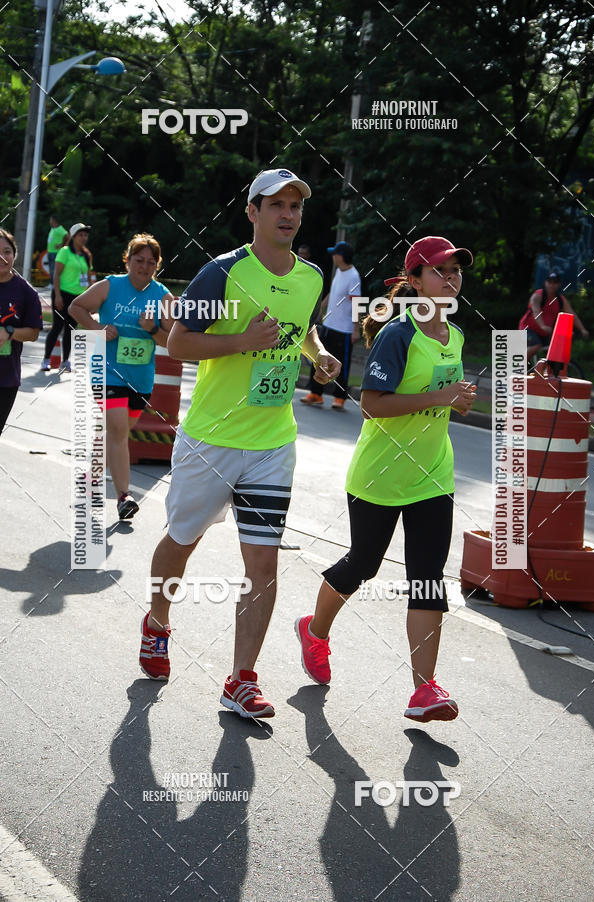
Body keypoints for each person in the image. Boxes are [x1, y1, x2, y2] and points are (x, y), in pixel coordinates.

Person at [139, 167, 341, 719]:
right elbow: (179, 343)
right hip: (211, 440)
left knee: (263, 563)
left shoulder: (311, 277)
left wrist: (315, 354)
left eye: (296, 206)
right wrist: (241, 341)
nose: (287, 214)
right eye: (276, 204)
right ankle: (157, 622)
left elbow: (302, 327)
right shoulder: (221, 273)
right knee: (182, 541)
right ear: (252, 212)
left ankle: (241, 680)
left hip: (274, 443)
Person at [295, 235, 477, 723]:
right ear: (414, 281)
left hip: (434, 475)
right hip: (379, 476)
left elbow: (439, 401)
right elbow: (372, 404)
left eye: (456, 270)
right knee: (363, 566)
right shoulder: (399, 334)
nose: (452, 277)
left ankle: (425, 690)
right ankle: (314, 630)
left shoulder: (454, 337)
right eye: (441, 270)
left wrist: (457, 401)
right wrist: (443, 397)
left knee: (427, 579)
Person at [69, 234, 175, 520]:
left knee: (115, 432)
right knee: (117, 431)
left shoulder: (162, 296)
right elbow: (75, 307)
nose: (144, 267)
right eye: (139, 261)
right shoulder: (110, 285)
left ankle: (90, 479)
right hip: (107, 372)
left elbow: (173, 342)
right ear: (127, 260)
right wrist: (96, 327)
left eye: (151, 263)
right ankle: (123, 497)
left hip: (141, 378)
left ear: (157, 265)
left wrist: (153, 330)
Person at [301, 240, 361, 410]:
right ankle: (316, 393)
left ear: (341, 256)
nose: (333, 256)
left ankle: (340, 398)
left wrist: (356, 329)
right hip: (329, 325)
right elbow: (332, 294)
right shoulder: (339, 272)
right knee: (318, 357)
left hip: (344, 329)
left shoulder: (353, 275)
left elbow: (357, 303)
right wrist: (319, 308)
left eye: (335, 253)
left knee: (342, 364)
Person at [0, 229, 43, 435]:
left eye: (7, 251)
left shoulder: (26, 292)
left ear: (14, 254)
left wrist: (9, 332)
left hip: (6, 378)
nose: (2, 257)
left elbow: (33, 333)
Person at [41, 223, 93, 372]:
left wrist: (90, 295)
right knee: (57, 327)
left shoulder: (86, 255)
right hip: (62, 294)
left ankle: (65, 361)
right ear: (73, 237)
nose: (83, 238)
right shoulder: (64, 252)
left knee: (71, 329)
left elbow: (89, 278)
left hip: (78, 298)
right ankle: (46, 359)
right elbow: (56, 274)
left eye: (85, 235)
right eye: (80, 235)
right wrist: (57, 295)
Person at [519, 271, 589, 361]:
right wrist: (542, 326)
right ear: (545, 283)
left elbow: (572, 314)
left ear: (559, 284)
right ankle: (517, 365)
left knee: (555, 351)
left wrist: (582, 329)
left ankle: (548, 373)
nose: (552, 285)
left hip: (545, 332)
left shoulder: (560, 300)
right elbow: (536, 311)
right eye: (550, 282)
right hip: (527, 329)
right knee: (536, 345)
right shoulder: (538, 295)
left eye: (555, 282)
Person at [46, 214, 68, 282]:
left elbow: (67, 236)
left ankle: (53, 283)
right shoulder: (53, 228)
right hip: (50, 251)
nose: (49, 221)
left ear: (53, 220)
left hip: (56, 252)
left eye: (50, 220)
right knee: (51, 269)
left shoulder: (60, 228)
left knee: (54, 269)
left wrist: (62, 245)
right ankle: (52, 282)